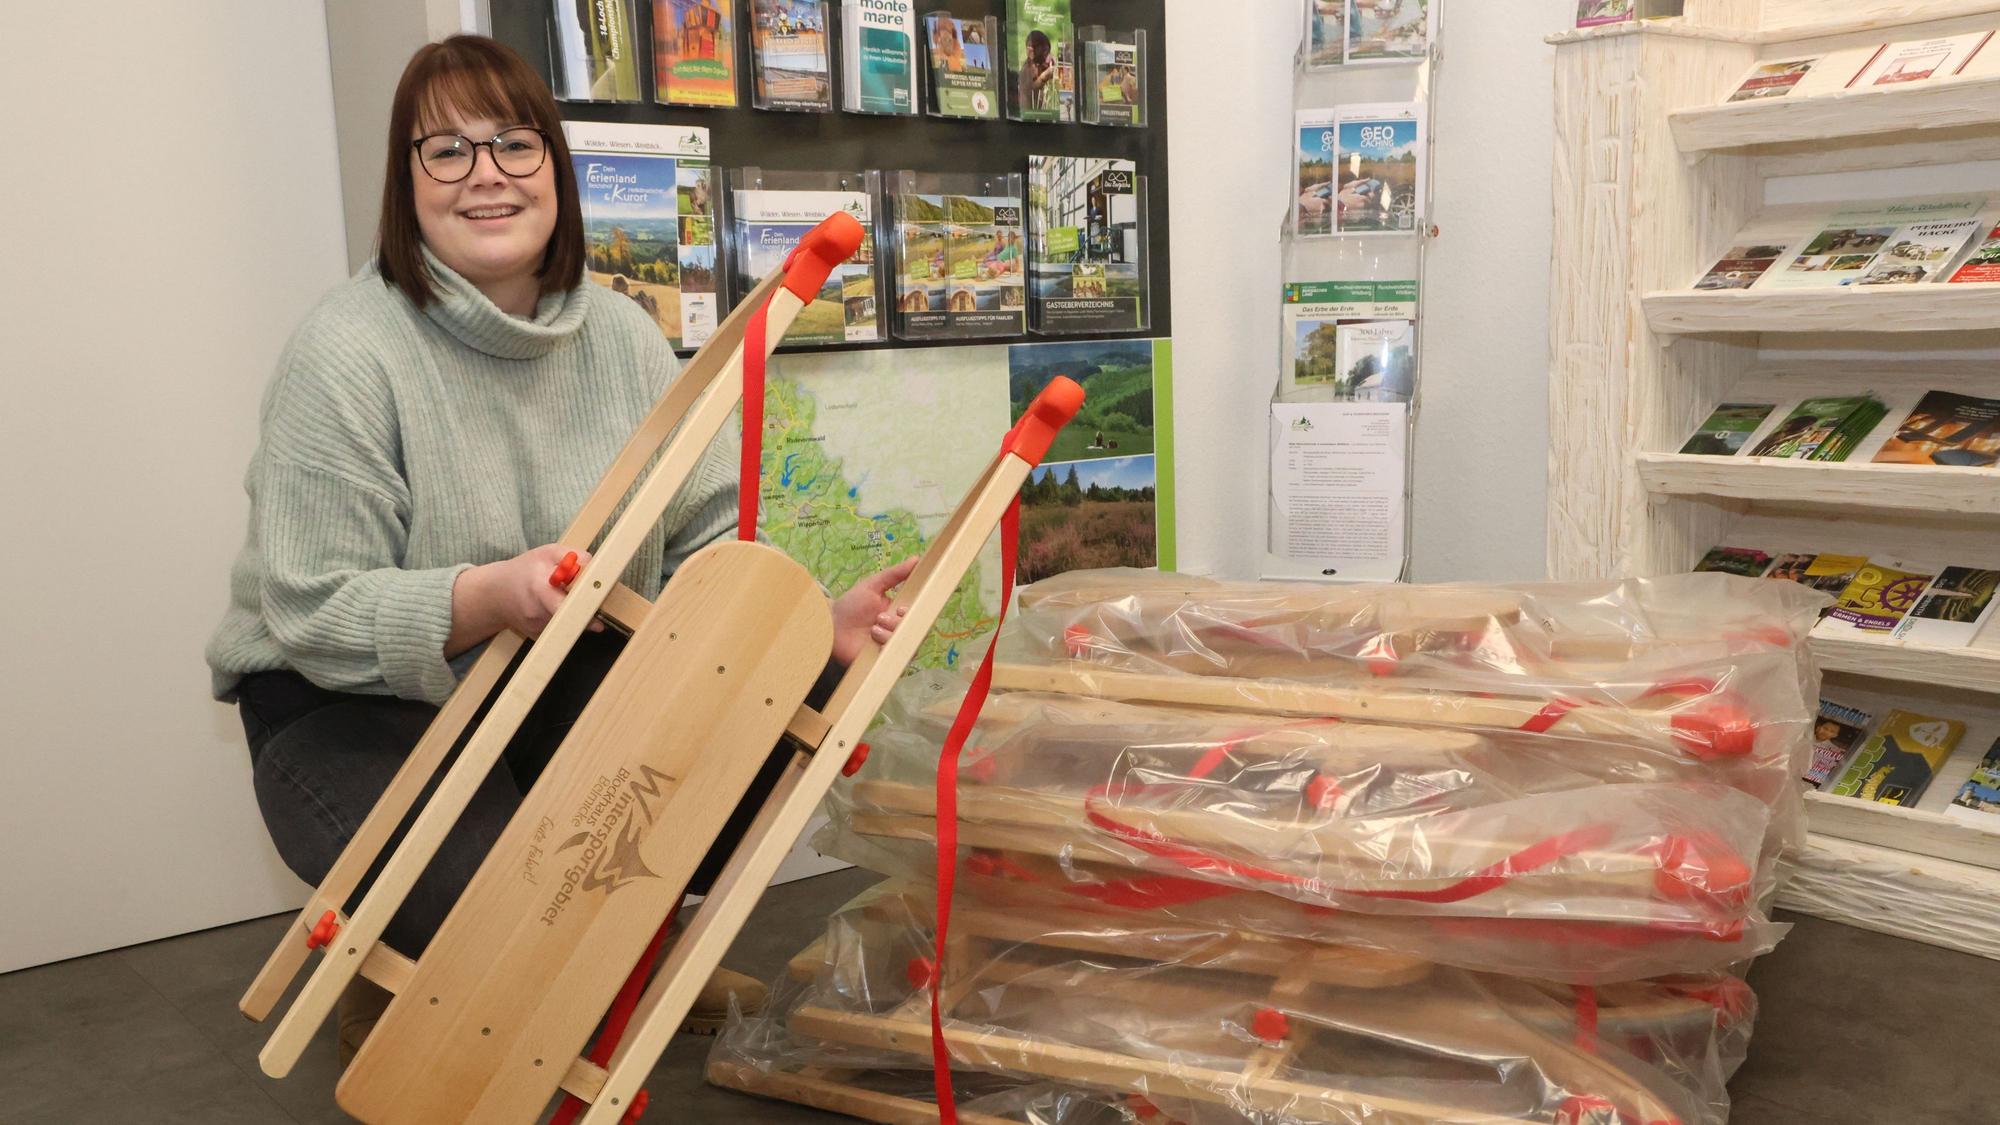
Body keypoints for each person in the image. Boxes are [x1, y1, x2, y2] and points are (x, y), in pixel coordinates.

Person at [205, 35, 913, 1062]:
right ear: (406, 186)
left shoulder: (622, 335)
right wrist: (487, 595)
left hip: (550, 681)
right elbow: (312, 608)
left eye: (513, 145)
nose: (485, 174)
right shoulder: (346, 349)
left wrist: (807, 632)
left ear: (555, 171)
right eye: (444, 151)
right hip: (349, 706)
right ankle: (410, 967)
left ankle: (615, 953)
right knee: (499, 919)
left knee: (769, 724)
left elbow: (704, 539)